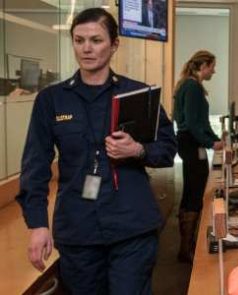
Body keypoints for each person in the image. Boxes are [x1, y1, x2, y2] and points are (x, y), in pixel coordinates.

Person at [15, 8, 176, 294]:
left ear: (114, 44)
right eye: (79, 40)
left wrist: (138, 150)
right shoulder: (51, 100)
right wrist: (37, 225)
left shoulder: (139, 95)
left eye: (96, 40)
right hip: (78, 230)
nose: (86, 49)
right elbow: (35, 166)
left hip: (132, 227)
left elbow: (167, 150)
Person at [173, 50, 224, 262]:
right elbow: (194, 124)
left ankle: (188, 244)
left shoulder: (188, 84)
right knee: (194, 192)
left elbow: (200, 123)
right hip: (191, 144)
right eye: (212, 66)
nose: (214, 70)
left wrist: (215, 138)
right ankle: (186, 249)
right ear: (203, 66)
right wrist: (211, 142)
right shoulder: (192, 87)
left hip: (190, 143)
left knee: (191, 190)